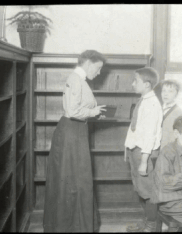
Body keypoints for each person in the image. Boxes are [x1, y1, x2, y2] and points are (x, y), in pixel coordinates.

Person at [44, 50, 107, 232]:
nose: (99, 72)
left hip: (77, 131)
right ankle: (69, 226)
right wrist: (93, 112)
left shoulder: (81, 81)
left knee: (77, 178)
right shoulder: (75, 79)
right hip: (71, 132)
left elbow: (80, 109)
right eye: (98, 67)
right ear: (88, 63)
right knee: (72, 179)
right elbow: (72, 112)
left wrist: (96, 114)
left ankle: (76, 225)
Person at [121, 67, 162, 232]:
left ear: (146, 84)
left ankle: (152, 226)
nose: (132, 84)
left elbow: (149, 136)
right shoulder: (143, 100)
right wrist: (128, 149)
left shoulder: (152, 104)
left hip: (145, 153)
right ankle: (147, 223)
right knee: (140, 189)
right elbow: (135, 129)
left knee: (148, 192)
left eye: (135, 81)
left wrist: (144, 161)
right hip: (136, 151)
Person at [156, 80, 182, 153]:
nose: (166, 94)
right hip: (156, 150)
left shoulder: (180, 113)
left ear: (176, 94)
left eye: (170, 91)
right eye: (164, 91)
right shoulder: (158, 109)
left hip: (169, 151)